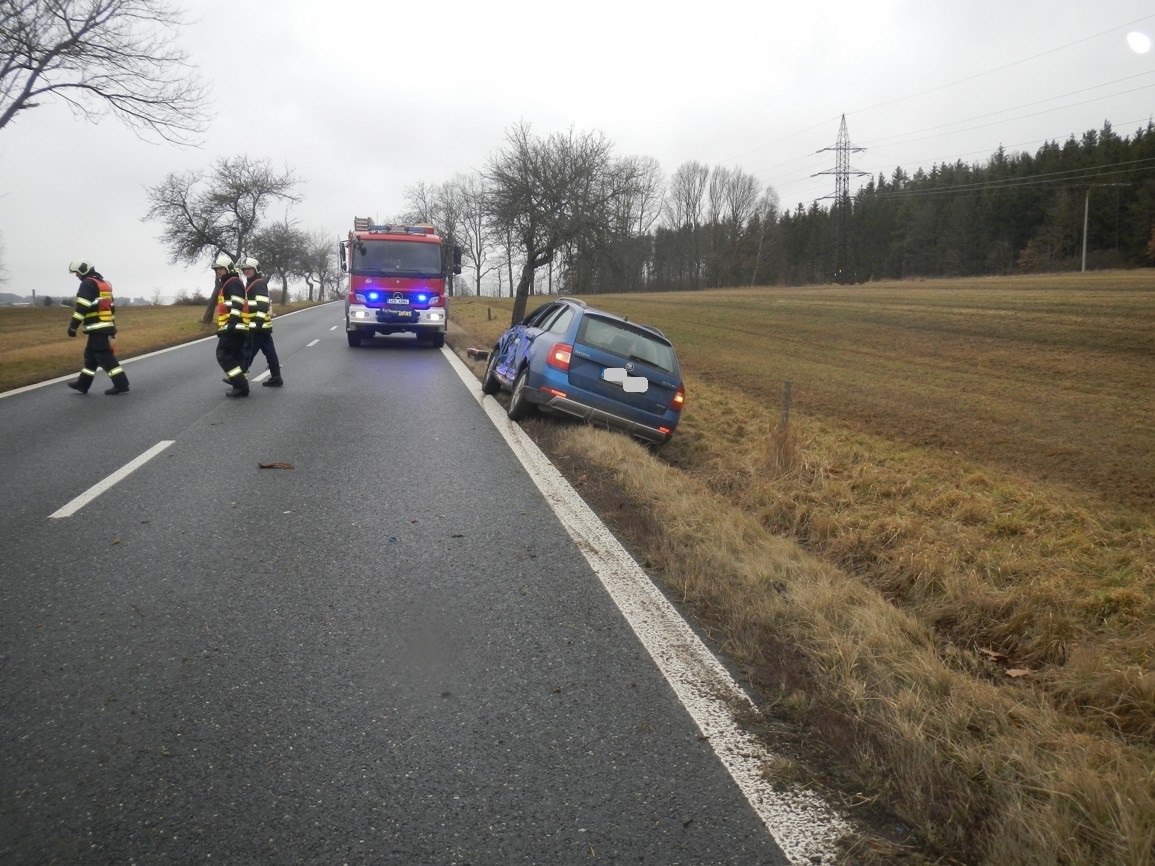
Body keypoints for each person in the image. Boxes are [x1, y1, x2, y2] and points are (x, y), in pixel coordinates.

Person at [65, 260, 130, 395]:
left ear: (83, 270)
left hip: (97, 327)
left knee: (104, 356)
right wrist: (112, 327)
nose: (76, 275)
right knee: (91, 357)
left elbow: (82, 307)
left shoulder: (87, 283)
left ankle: (121, 384)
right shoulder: (104, 284)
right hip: (104, 326)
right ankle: (83, 384)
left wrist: (73, 326)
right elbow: (111, 308)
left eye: (77, 272)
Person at [239, 257, 283, 386]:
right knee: (270, 352)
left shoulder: (258, 283)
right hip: (263, 326)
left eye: (249, 269)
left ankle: (238, 380)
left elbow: (263, 306)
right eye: (245, 269)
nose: (246, 271)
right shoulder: (252, 283)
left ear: (256, 269)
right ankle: (276, 377)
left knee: (247, 353)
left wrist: (256, 324)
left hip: (257, 326)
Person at [212, 253, 249, 398]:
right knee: (236, 355)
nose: (218, 272)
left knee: (222, 354)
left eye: (221, 269)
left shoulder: (232, 282)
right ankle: (240, 385)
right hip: (236, 326)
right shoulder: (229, 282)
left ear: (228, 268)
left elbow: (237, 303)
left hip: (235, 326)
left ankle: (240, 384)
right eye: (216, 269)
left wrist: (231, 323)